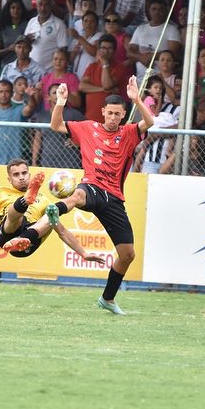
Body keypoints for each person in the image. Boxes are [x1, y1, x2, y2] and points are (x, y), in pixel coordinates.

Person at [50, 76, 154, 314]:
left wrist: (137, 99)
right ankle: (57, 210)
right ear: (103, 111)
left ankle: (107, 298)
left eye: (118, 114)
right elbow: (56, 126)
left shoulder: (129, 133)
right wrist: (61, 102)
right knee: (77, 195)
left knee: (128, 255)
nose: (114, 118)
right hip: (92, 187)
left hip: (114, 198)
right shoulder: (88, 128)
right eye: (110, 113)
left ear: (123, 114)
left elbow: (149, 121)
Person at [0, 161, 104, 264]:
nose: (21, 177)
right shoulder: (0, 192)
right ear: (9, 179)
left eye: (24, 173)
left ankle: (24, 237)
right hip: (6, 235)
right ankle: (24, 202)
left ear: (29, 175)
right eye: (16, 175)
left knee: (51, 213)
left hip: (29, 241)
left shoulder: (43, 200)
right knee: (13, 216)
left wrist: (83, 253)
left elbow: (62, 231)